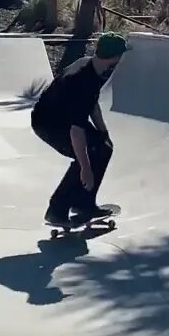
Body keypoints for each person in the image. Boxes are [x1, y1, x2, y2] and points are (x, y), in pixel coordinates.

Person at [31, 31, 129, 226]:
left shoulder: (90, 65)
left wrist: (104, 133)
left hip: (61, 118)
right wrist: (85, 169)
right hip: (49, 124)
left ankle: (84, 203)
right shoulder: (83, 81)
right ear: (115, 58)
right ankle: (56, 210)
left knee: (103, 147)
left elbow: (92, 104)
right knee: (86, 155)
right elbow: (77, 131)